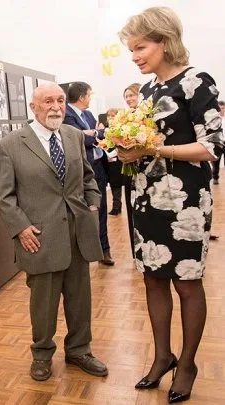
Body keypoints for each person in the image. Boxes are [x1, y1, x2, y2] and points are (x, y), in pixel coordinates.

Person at [118, 7, 224, 403]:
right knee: (152, 277)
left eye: (140, 47)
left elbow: (212, 147)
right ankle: (162, 355)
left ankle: (189, 363)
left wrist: (152, 148)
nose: (135, 56)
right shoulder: (147, 90)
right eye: (131, 50)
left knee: (187, 283)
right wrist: (129, 149)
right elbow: (146, 140)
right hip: (145, 196)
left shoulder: (197, 81)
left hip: (185, 203)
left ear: (164, 42)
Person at [0, 82, 108, 382]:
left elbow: (87, 176)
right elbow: (4, 197)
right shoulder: (11, 145)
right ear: (33, 107)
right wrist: (20, 228)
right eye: (48, 101)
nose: (56, 106)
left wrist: (93, 204)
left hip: (77, 233)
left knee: (80, 298)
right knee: (43, 303)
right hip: (39, 238)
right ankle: (42, 355)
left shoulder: (71, 135)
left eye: (59, 100)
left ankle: (79, 350)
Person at [63, 82, 115, 266]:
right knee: (84, 212)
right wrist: (94, 133)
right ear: (82, 96)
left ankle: (104, 249)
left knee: (100, 209)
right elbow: (79, 139)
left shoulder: (88, 114)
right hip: (82, 171)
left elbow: (102, 134)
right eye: (89, 95)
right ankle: (85, 253)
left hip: (99, 166)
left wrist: (93, 132)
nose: (90, 98)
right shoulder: (66, 115)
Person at [122, 83, 142, 258]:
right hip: (129, 169)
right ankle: (135, 250)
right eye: (126, 96)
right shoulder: (123, 117)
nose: (129, 99)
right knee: (131, 208)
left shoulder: (148, 116)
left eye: (132, 95)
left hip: (145, 169)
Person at [212, 100, 225, 184]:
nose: (221, 110)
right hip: (218, 143)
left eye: (223, 108)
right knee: (216, 162)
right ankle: (215, 178)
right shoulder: (214, 119)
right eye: (220, 108)